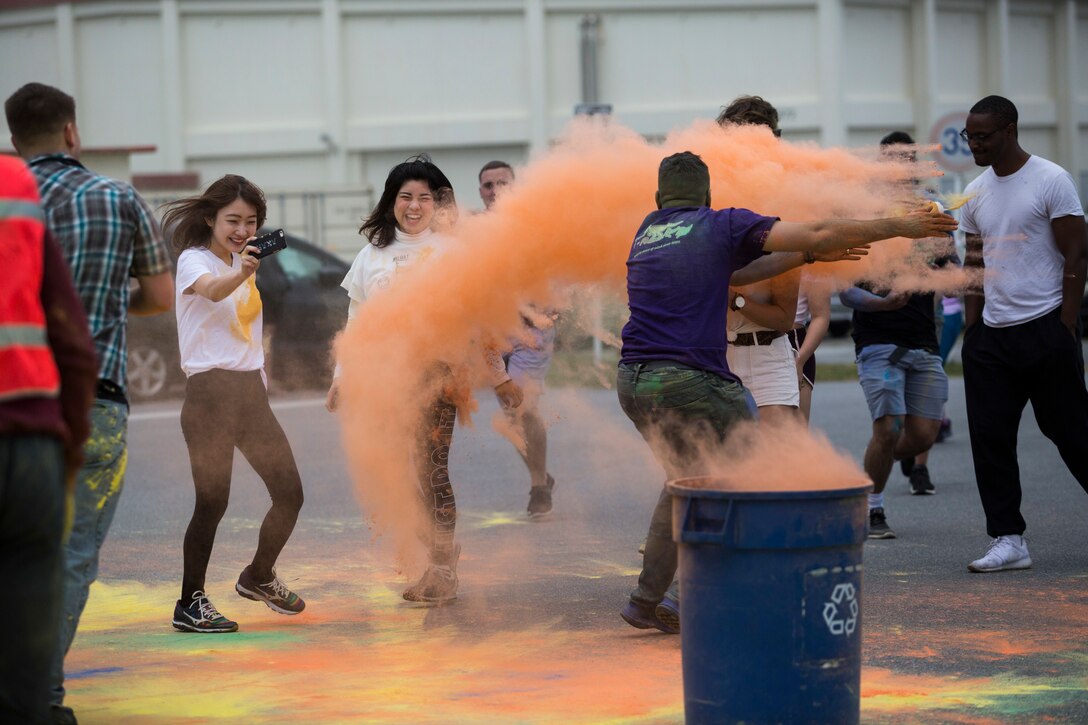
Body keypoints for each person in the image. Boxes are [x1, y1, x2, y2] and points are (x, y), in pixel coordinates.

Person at [617, 151, 957, 633]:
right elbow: (816, 230)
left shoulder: (648, 230)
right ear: (709, 198)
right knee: (755, 468)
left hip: (633, 380)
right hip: (690, 378)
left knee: (684, 481)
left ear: (659, 197)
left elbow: (740, 275)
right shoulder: (720, 224)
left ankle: (645, 599)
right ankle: (691, 594)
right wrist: (897, 225)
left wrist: (808, 256)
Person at [5, 82, 174, 724]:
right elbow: (159, 295)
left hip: (6, 397)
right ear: (72, 133)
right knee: (68, 554)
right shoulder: (116, 197)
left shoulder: (9, 203)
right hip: (91, 401)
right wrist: (99, 306)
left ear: (15, 141)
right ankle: (39, 699)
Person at [326, 155, 522, 603]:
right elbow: (356, 319)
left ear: (438, 204)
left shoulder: (454, 251)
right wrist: (343, 374)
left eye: (424, 198)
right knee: (398, 473)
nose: (414, 206)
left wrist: (499, 377)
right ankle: (440, 556)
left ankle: (441, 568)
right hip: (382, 378)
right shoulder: (371, 254)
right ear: (391, 201)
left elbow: (479, 322)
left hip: (437, 374)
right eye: (405, 197)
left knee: (432, 470)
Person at [160, 175, 307, 633]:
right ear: (210, 219)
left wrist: (261, 377)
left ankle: (259, 575)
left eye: (251, 221)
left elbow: (243, 331)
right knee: (212, 501)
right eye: (233, 220)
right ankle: (190, 602)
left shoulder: (244, 265)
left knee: (290, 494)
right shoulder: (194, 261)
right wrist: (241, 271)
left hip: (249, 394)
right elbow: (210, 291)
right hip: (209, 396)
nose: (243, 229)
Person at [958, 95, 1088, 572]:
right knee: (989, 438)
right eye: (968, 136)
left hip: (1046, 326)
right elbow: (973, 262)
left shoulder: (1051, 179)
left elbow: (1077, 254)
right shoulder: (975, 191)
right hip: (992, 337)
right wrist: (973, 330)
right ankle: (1008, 539)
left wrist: (1066, 326)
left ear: (1009, 130)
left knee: (1072, 432)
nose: (974, 143)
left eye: (983, 136)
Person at [0, 156, 96, 725]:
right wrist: (69, 444)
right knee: (30, 609)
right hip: (31, 439)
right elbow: (72, 340)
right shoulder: (13, 183)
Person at [839, 132, 957, 539]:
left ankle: (871, 468)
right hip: (877, 340)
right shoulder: (864, 211)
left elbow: (953, 273)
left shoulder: (932, 208)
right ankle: (872, 508)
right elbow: (845, 288)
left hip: (923, 338)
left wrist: (946, 253)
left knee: (923, 434)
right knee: (887, 428)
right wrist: (881, 304)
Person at [478, 160, 558, 517]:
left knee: (523, 406)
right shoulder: (475, 229)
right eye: (488, 185)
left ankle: (539, 486)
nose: (495, 191)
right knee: (511, 416)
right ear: (480, 191)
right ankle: (540, 474)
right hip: (492, 334)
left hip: (531, 330)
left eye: (502, 183)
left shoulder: (535, 225)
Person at [719, 96, 803, 426]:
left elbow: (784, 318)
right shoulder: (713, 208)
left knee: (774, 465)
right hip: (718, 356)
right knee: (726, 468)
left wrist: (734, 299)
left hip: (769, 357)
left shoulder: (781, 216)